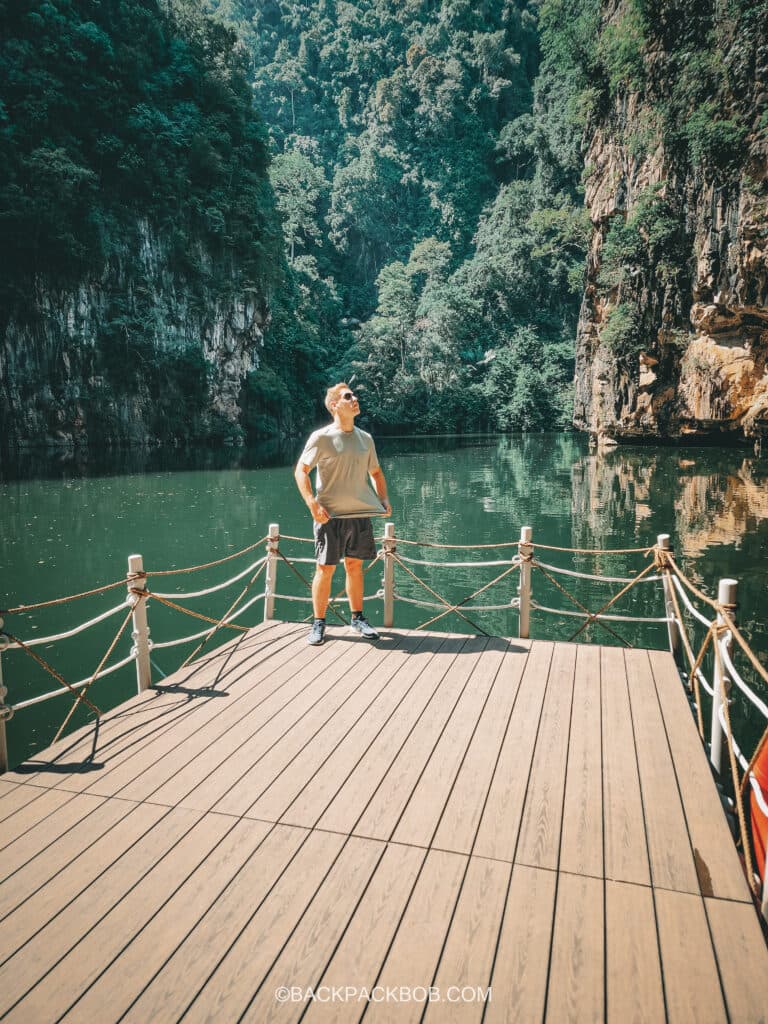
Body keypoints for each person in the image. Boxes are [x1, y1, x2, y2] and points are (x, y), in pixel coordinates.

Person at [295, 382, 392, 646]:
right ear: (334, 405)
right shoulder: (321, 438)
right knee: (324, 569)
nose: (355, 399)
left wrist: (383, 498)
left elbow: (376, 473)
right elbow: (300, 472)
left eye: (355, 395)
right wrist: (313, 505)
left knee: (355, 567)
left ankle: (358, 618)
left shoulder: (365, 439)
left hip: (359, 515)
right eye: (348, 396)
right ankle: (318, 623)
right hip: (330, 517)